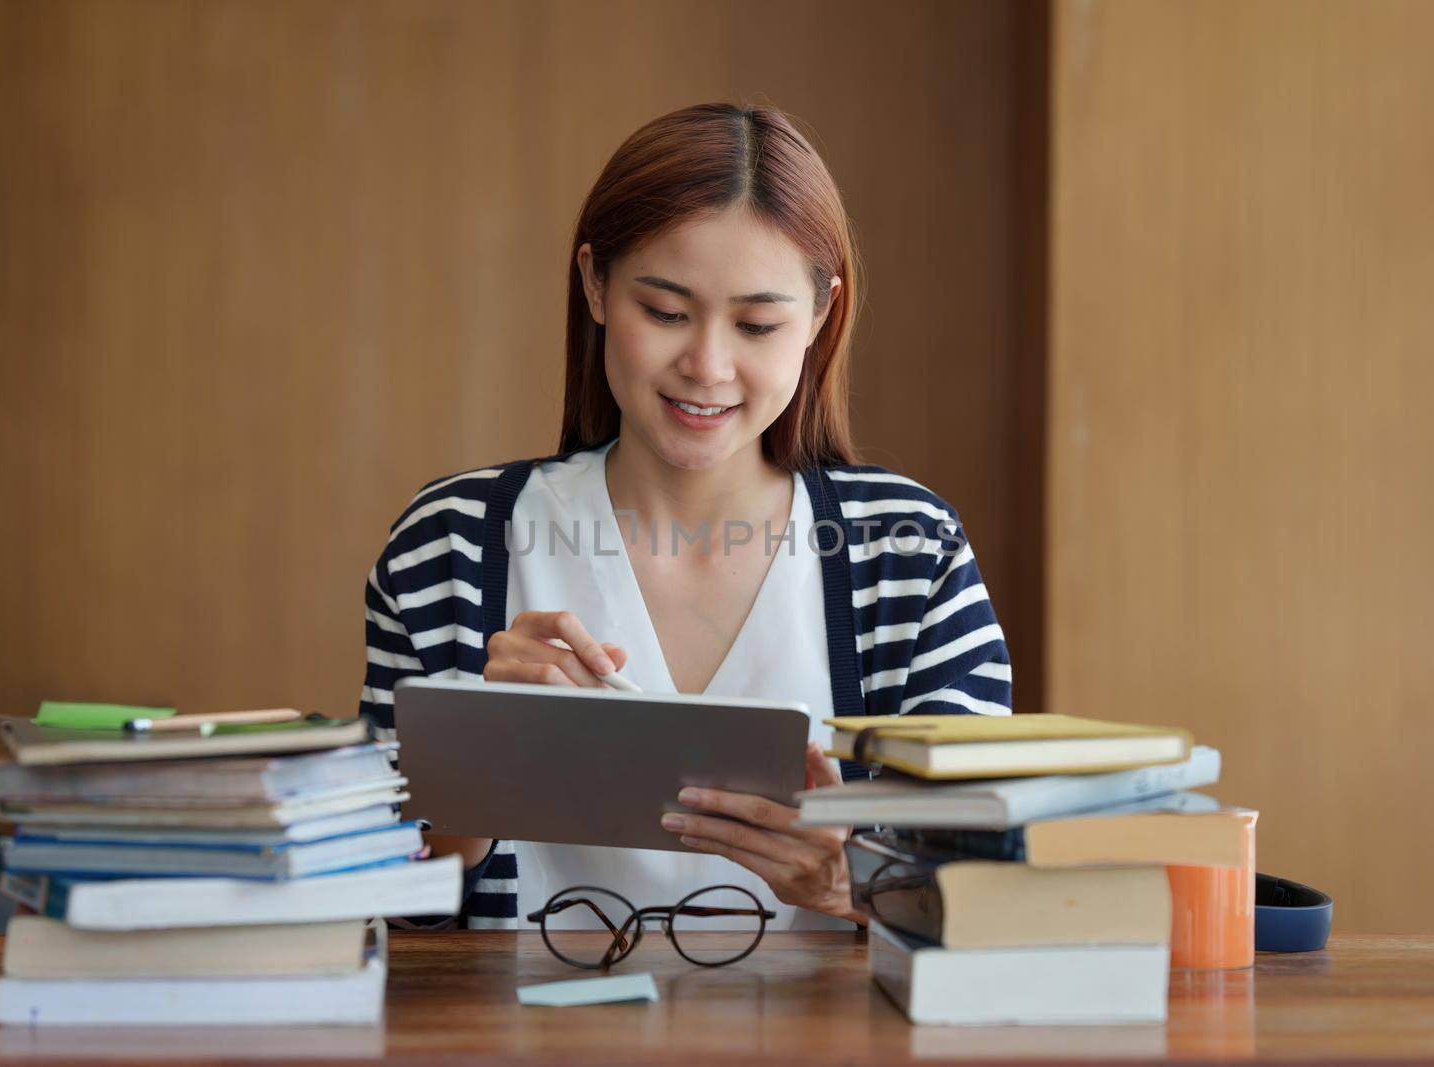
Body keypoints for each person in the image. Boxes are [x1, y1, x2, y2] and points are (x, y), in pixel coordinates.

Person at [360, 102, 1012, 932]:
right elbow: (369, 893)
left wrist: (852, 882)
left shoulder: (908, 554)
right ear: (595, 284)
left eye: (757, 324)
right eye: (665, 312)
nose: (707, 365)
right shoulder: (448, 547)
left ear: (819, 316)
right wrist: (479, 766)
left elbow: (985, 898)